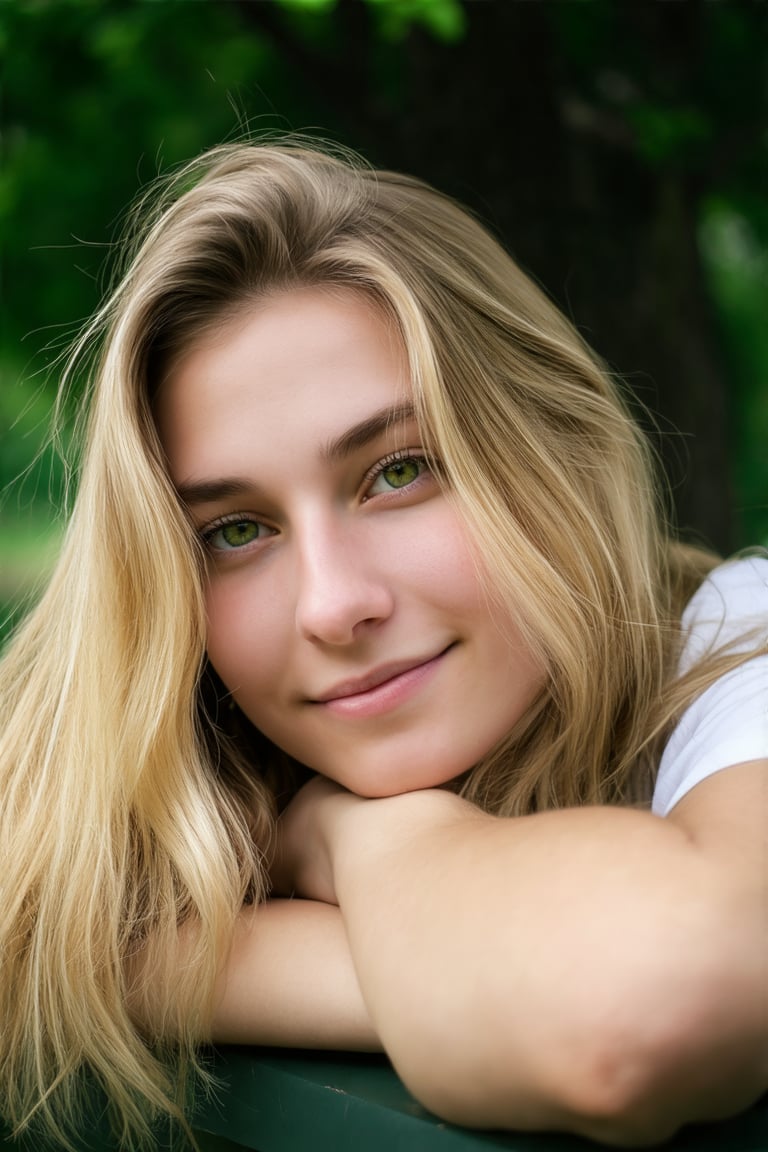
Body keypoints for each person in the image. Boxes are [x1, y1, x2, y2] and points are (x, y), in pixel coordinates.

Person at [0, 140, 765, 1150]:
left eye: (397, 472)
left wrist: (353, 837)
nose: (332, 605)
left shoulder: (740, 639)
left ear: (555, 445)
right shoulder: (167, 766)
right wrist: (466, 975)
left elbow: (636, 1011)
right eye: (235, 532)